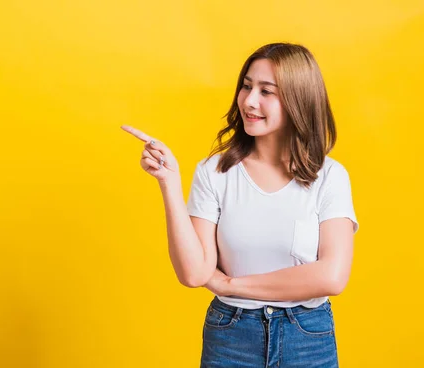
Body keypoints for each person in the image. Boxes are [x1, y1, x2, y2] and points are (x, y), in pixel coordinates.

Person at [121, 42, 359, 368]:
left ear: (298, 99)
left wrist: (231, 284)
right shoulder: (215, 172)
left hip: (306, 336)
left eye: (266, 91)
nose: (249, 101)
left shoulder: (330, 176)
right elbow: (194, 272)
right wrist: (169, 182)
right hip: (230, 335)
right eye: (246, 86)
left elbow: (332, 276)